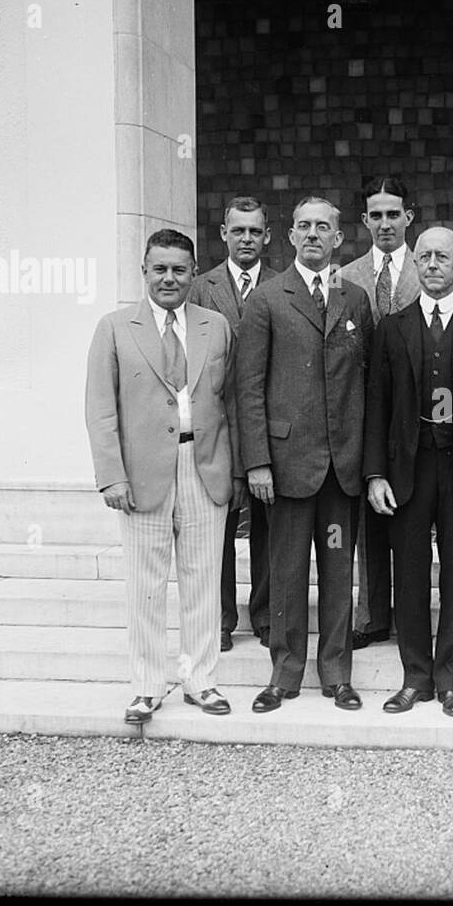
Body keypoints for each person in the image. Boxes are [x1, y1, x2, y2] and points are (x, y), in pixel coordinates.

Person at [85, 228, 242, 723]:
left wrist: (234, 470)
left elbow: (232, 402)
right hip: (142, 473)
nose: (169, 278)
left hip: (204, 465)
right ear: (144, 271)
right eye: (160, 269)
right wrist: (112, 475)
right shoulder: (114, 327)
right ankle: (147, 686)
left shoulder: (215, 326)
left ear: (194, 272)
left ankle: (201, 681)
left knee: (202, 581)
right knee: (146, 585)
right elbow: (100, 408)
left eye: (179, 269)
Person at [236, 196, 374, 713]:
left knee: (339, 572)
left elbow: (366, 382)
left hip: (342, 466)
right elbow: (247, 387)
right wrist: (256, 461)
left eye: (324, 227)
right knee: (288, 573)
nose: (313, 234)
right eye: (303, 227)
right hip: (288, 465)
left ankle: (337, 674)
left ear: (340, 239)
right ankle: (285, 673)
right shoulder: (268, 299)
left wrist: (366, 459)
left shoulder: (354, 299)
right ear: (289, 236)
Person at [363, 227, 453, 717]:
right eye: (423, 256)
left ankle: (451, 682)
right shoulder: (393, 326)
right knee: (410, 574)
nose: (431, 265)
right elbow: (377, 405)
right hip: (409, 465)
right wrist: (376, 473)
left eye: (442, 257)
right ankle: (415, 678)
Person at [337, 176, 422, 652]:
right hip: (363, 412)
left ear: (408, 217)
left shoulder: (430, 268)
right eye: (377, 215)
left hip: (419, 414)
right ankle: (371, 617)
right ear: (365, 221)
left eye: (394, 214)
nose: (386, 223)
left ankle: (413, 613)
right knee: (369, 520)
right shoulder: (345, 277)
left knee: (413, 517)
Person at [188, 195, 276, 653]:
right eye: (237, 230)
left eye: (254, 231)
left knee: (267, 529)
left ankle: (263, 616)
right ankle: (221, 618)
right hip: (219, 426)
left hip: (265, 427)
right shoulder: (201, 289)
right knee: (218, 528)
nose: (246, 239)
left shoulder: (283, 286)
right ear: (224, 233)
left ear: (266, 236)